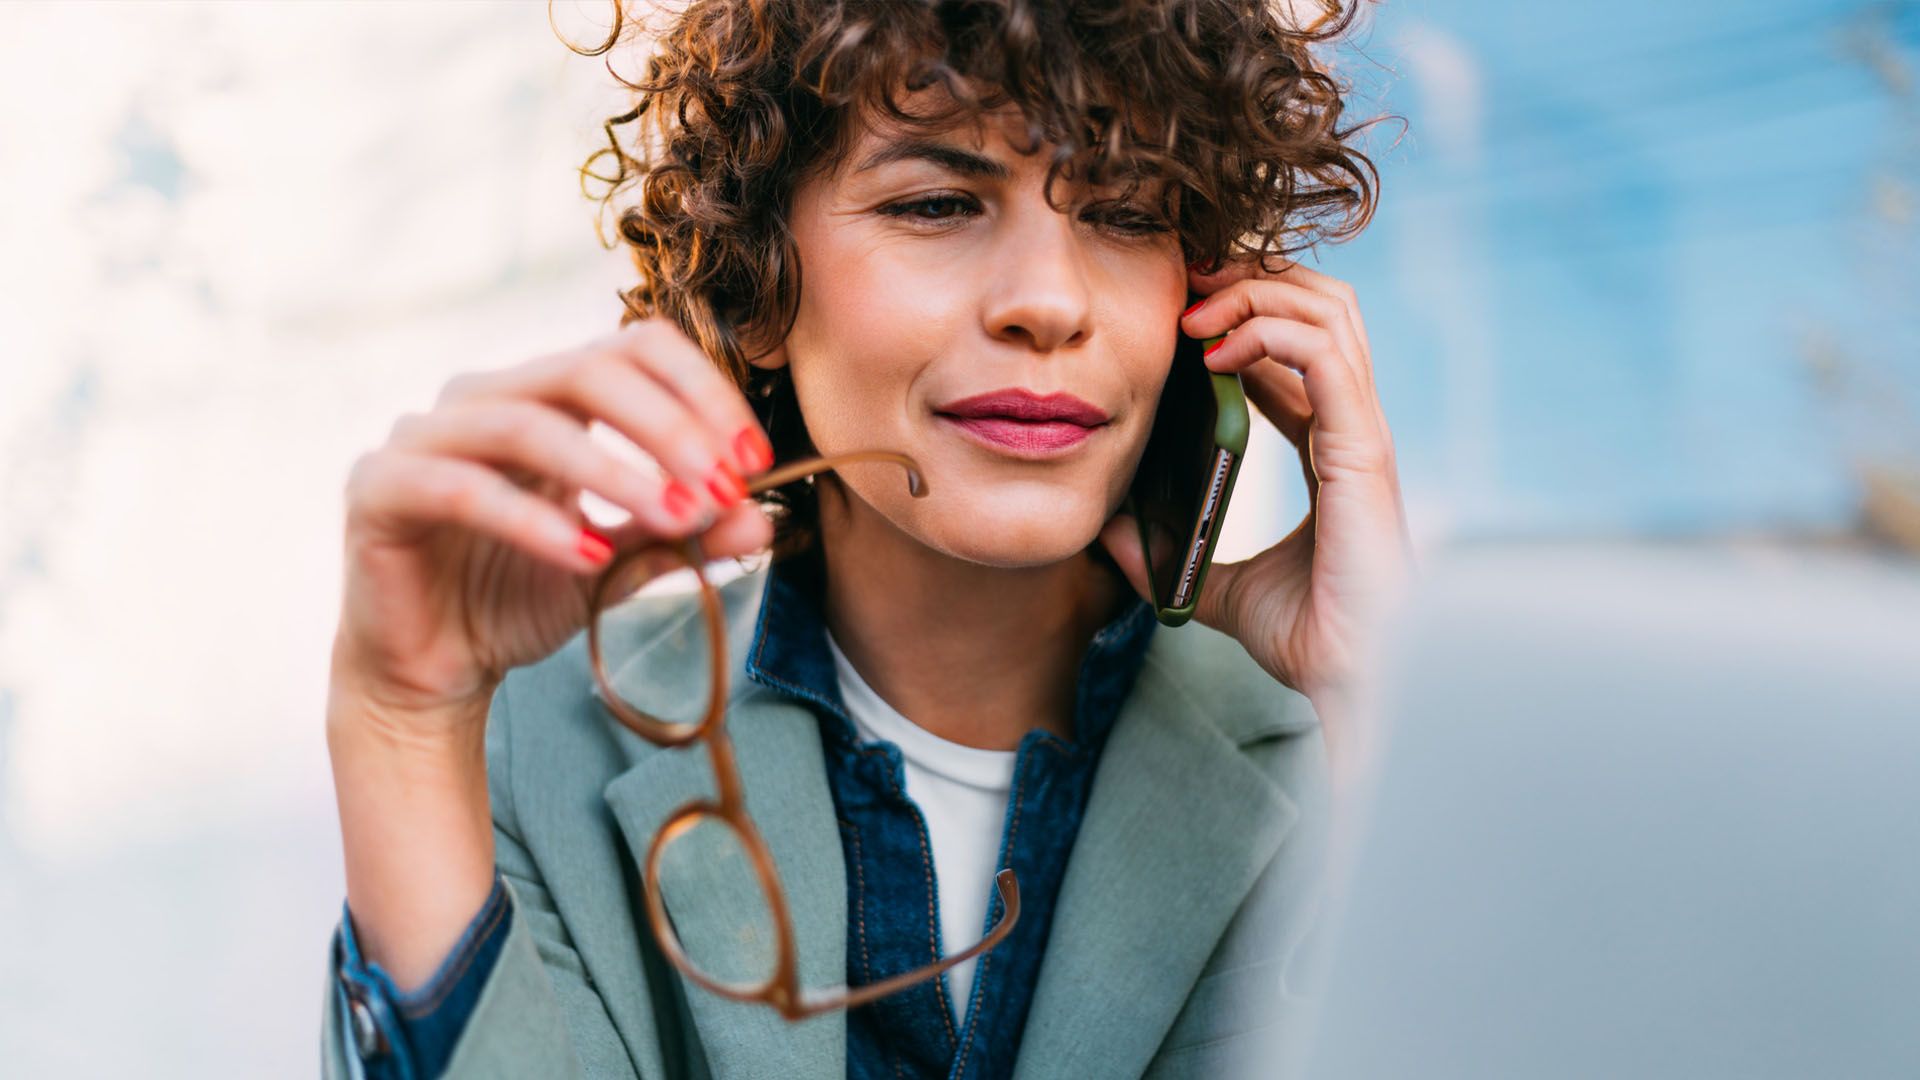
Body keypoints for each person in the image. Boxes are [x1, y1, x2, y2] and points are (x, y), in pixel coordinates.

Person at [319, 0, 1413, 1077]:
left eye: (1128, 216)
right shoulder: (521, 738)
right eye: (937, 204)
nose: (1048, 302)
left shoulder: (1357, 758)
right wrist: (397, 723)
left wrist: (1383, 699)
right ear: (758, 284)